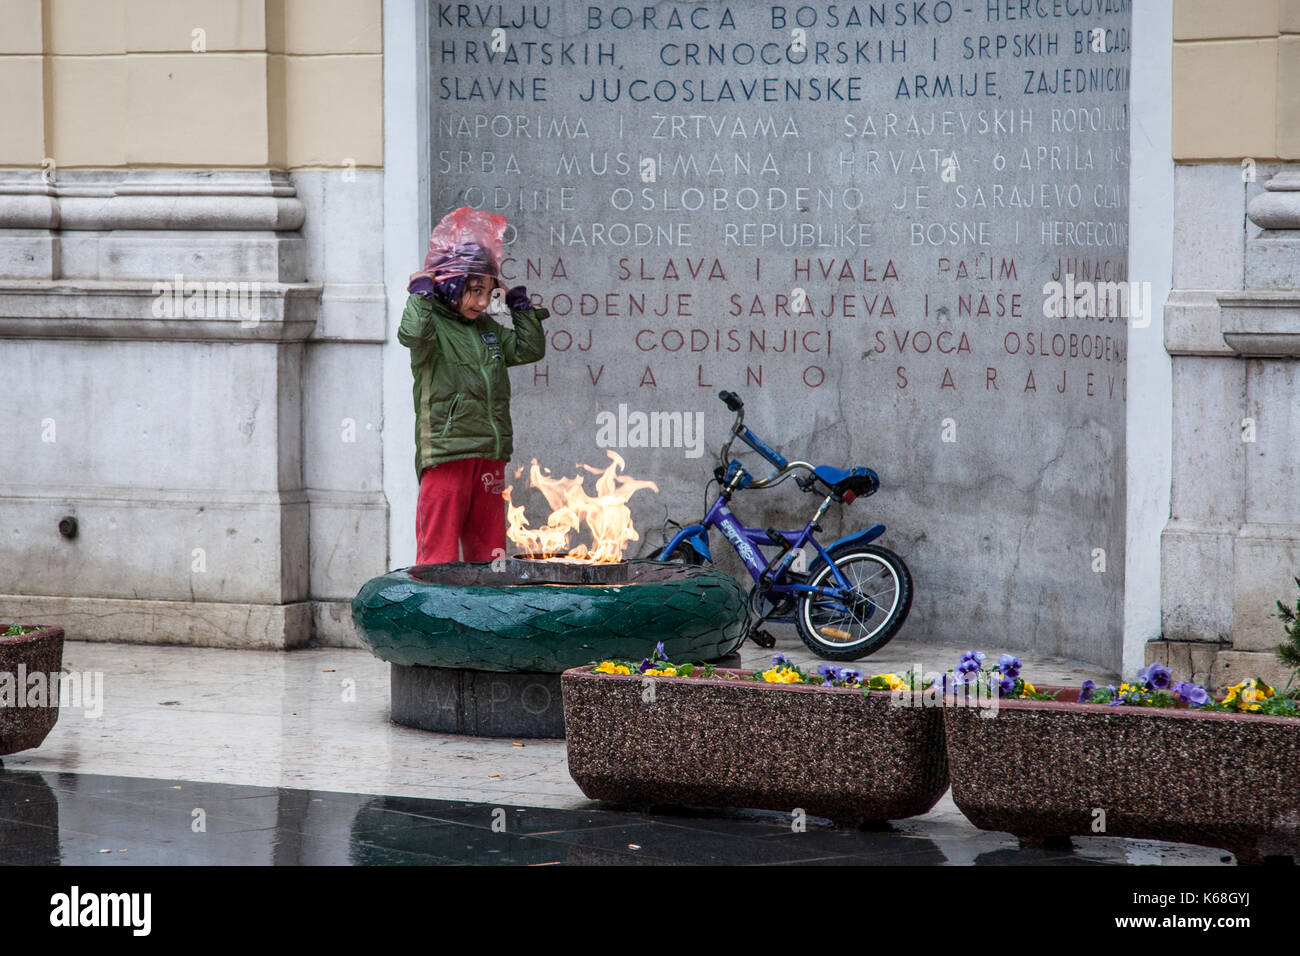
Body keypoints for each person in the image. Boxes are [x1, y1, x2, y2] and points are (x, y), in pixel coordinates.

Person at [398, 207, 549, 564]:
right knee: (439, 556)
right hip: (447, 455)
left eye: (488, 292)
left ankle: (488, 617)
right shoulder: (432, 327)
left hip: (489, 456)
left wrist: (519, 307)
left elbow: (529, 349)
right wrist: (420, 295)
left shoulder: (487, 330)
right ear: (449, 286)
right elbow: (412, 333)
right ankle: (433, 617)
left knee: (491, 557)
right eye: (474, 291)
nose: (482, 302)